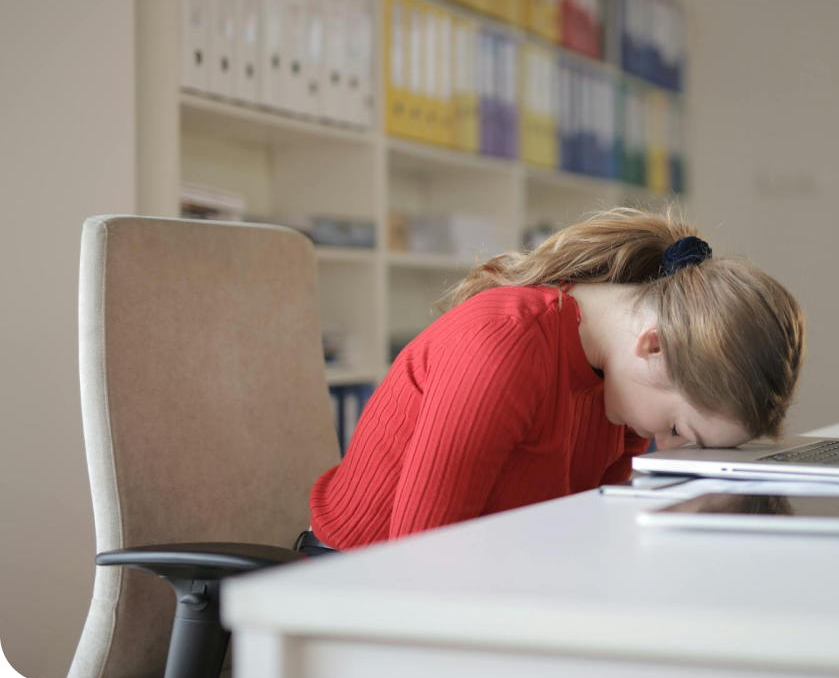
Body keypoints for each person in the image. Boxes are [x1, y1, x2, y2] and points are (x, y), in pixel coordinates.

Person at [304, 207, 806, 550]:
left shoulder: (622, 385)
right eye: (679, 430)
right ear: (653, 346)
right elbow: (420, 564)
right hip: (356, 586)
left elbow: (587, 534)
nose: (668, 449)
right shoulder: (504, 345)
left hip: (490, 577)